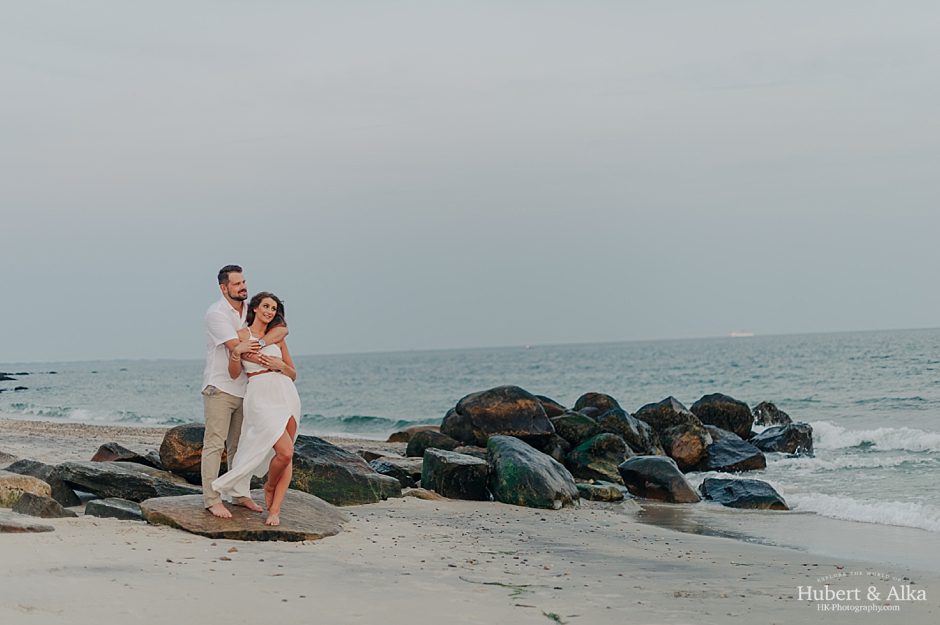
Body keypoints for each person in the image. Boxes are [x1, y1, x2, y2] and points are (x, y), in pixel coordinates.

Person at [202, 265, 287, 519]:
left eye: (244, 282)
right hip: (220, 387)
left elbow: (281, 328)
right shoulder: (216, 314)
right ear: (223, 287)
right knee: (215, 444)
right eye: (237, 284)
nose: (243, 287)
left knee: (241, 446)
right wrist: (269, 357)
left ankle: (239, 495)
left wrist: (262, 340)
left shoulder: (251, 309)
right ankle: (212, 499)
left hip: (247, 390)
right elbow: (236, 349)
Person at [212, 292, 300, 526]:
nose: (270, 311)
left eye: (274, 308)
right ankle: (269, 485)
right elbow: (233, 373)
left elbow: (293, 374)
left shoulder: (277, 337)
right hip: (260, 394)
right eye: (266, 306)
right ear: (256, 308)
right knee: (285, 451)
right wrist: (237, 353)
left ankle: (275, 509)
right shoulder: (242, 335)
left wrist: (280, 365)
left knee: (287, 453)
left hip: (285, 392)